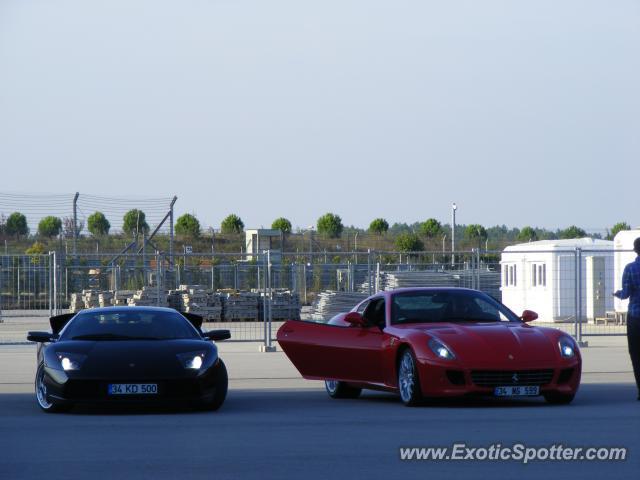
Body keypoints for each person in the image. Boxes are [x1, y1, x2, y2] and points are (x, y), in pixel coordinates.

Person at [614, 237, 640, 401]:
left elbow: (626, 293)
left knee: (636, 353)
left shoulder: (630, 268)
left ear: (635, 250)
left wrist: (618, 294)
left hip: (635, 316)